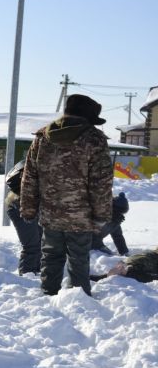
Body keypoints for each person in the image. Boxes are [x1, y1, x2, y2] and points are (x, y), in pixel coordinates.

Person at [21, 94, 113, 296]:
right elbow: (101, 182)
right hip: (81, 216)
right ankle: (78, 301)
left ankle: (48, 296)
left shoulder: (43, 137)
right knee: (79, 259)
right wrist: (101, 215)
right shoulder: (94, 139)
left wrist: (28, 208)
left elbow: (30, 176)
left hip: (50, 214)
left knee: (51, 256)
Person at [5, 160, 42, 275]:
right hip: (19, 205)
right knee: (32, 244)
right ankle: (27, 274)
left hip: (29, 204)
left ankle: (36, 270)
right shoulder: (36, 162)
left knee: (41, 240)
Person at [90, 247, 158, 284]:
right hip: (134, 267)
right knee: (148, 278)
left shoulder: (151, 252)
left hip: (126, 263)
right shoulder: (153, 257)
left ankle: (98, 278)